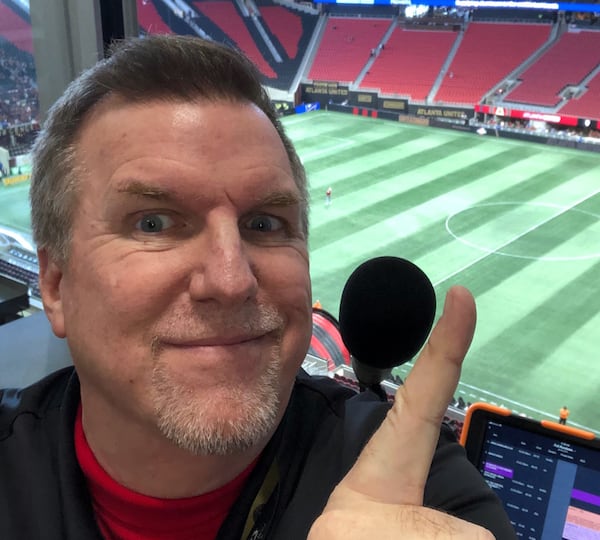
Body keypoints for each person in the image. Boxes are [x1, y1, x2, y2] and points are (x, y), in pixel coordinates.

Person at [0, 35, 515, 539]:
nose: (231, 280)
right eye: (153, 223)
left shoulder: (415, 486)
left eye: (265, 224)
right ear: (56, 284)